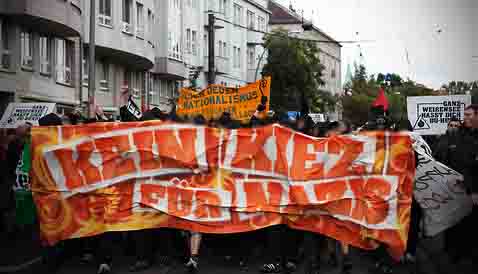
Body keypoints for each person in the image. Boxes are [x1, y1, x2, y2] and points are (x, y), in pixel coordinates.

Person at [435, 105, 478, 264]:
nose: (465, 118)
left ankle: (468, 251)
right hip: (457, 188)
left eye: (469, 114)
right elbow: (457, 163)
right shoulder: (454, 138)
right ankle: (453, 251)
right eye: (464, 115)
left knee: (470, 224)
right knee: (455, 222)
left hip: (471, 189)